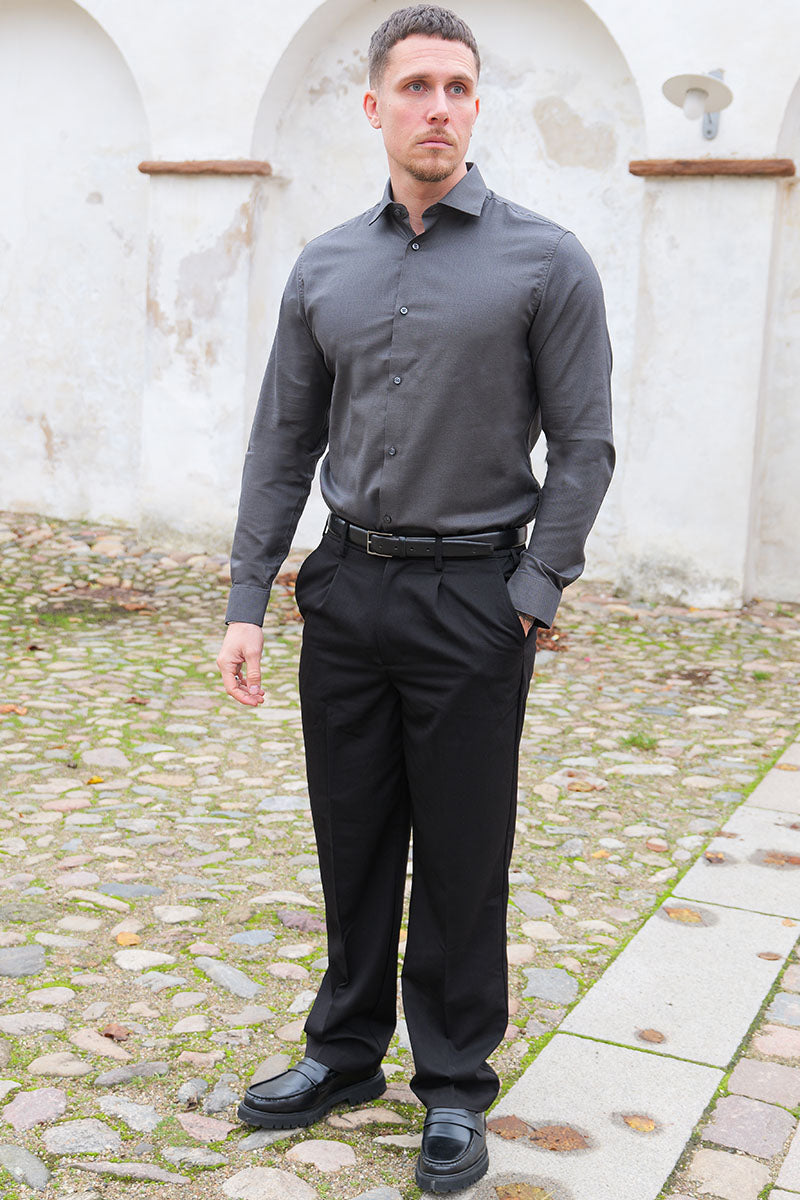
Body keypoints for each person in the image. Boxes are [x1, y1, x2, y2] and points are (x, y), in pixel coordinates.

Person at [216, 4, 614, 1192]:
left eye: (456, 87)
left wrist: (531, 591)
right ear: (373, 106)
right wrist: (247, 596)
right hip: (346, 589)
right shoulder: (325, 265)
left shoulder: (546, 260)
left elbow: (584, 447)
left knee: (458, 851)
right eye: (415, 86)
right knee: (350, 837)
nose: (437, 107)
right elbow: (281, 441)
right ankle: (342, 1054)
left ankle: (450, 1084)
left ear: (474, 106)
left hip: (473, 598)